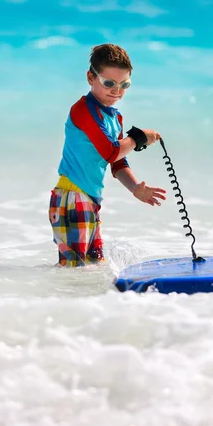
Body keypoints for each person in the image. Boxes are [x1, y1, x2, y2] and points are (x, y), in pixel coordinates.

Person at [49, 43, 166, 267]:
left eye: (125, 84)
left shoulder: (115, 118)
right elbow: (110, 152)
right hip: (72, 197)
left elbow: (118, 161)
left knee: (95, 264)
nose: (117, 90)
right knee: (74, 268)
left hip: (90, 200)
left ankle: (100, 302)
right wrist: (138, 138)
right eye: (109, 83)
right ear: (90, 78)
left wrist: (135, 189)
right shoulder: (82, 109)